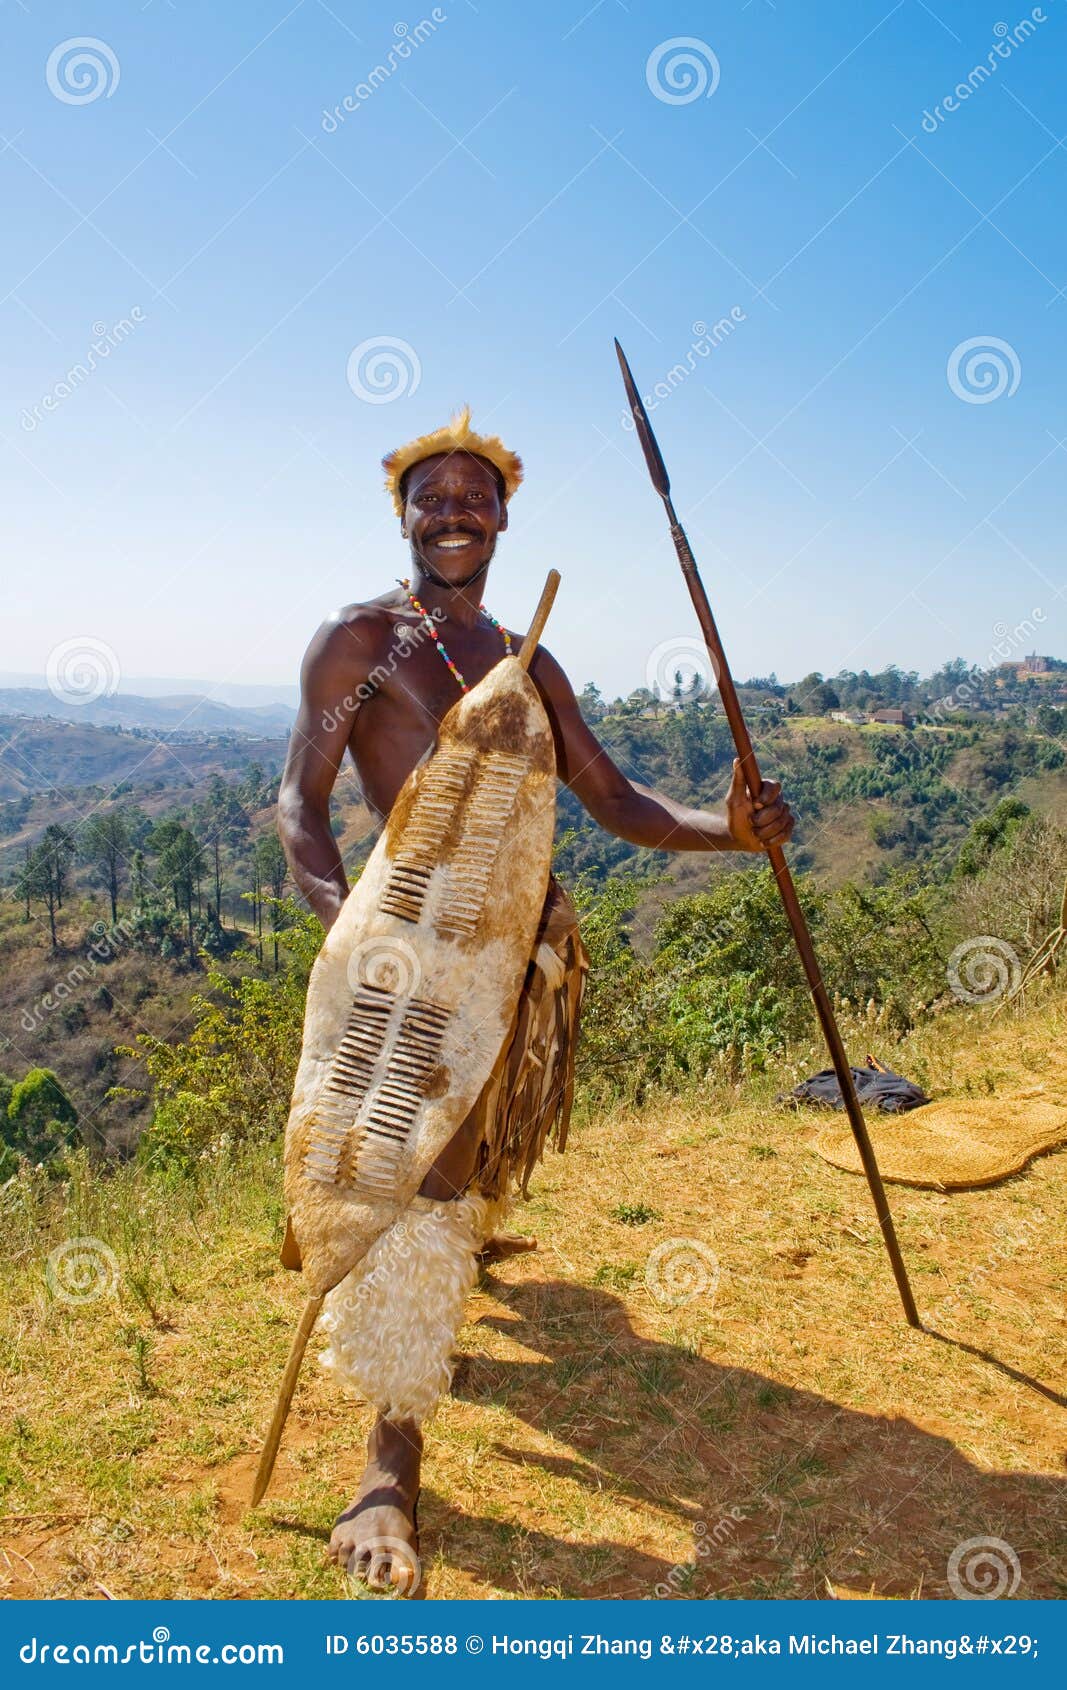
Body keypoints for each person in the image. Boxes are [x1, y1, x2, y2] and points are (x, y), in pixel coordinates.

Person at [277, 407, 795, 1592]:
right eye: (431, 497)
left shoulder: (531, 662)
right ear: (401, 515)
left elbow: (617, 804)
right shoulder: (358, 644)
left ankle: (447, 1260)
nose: (453, 513)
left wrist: (736, 831)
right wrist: (349, 932)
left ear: (504, 518)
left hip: (512, 960)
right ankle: (386, 1464)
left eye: (475, 497)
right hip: (397, 962)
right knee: (409, 1173)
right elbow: (298, 803)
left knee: (456, 1167)